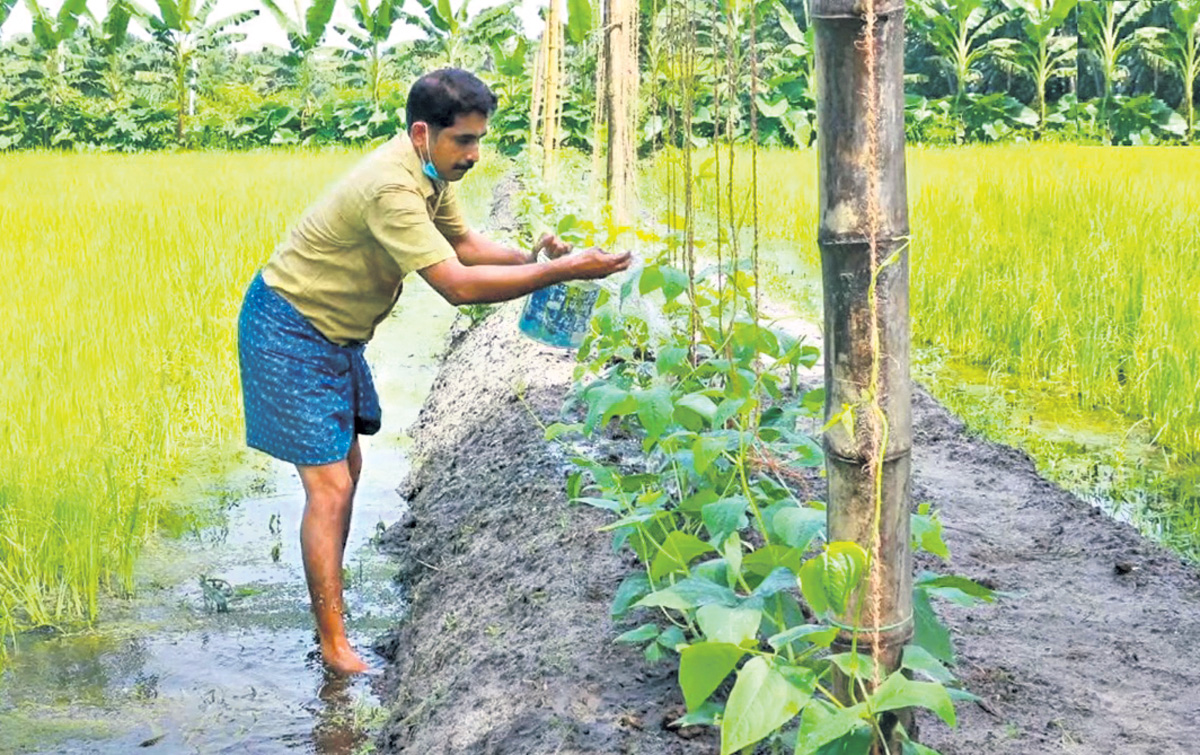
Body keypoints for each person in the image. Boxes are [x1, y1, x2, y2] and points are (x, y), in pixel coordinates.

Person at [237, 68, 631, 674]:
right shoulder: (391, 190)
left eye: (479, 140)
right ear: (424, 133)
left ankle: (330, 606)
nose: (474, 154)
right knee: (331, 487)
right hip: (290, 329)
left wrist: (535, 257)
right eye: (464, 141)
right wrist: (562, 273)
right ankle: (334, 646)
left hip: (335, 335)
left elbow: (467, 246)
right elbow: (456, 285)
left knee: (349, 470)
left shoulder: (429, 171)